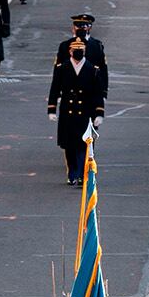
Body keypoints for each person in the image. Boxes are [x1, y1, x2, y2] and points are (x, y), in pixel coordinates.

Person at [48, 31, 108, 185]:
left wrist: (99, 113)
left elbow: (97, 94)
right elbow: (54, 89)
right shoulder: (62, 68)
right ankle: (72, 173)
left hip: (85, 113)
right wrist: (52, 109)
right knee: (69, 146)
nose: (78, 53)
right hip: (68, 112)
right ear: (70, 51)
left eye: (80, 50)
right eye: (75, 51)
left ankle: (82, 174)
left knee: (83, 145)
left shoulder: (93, 70)